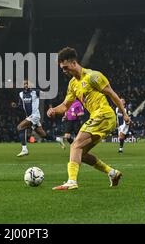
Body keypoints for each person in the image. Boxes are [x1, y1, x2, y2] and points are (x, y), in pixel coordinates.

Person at [47, 47, 130, 190]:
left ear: (73, 63)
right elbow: (66, 105)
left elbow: (112, 94)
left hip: (104, 114)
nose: (64, 71)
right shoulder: (73, 84)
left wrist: (125, 114)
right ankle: (112, 173)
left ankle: (71, 182)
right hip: (99, 118)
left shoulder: (93, 76)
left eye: (65, 67)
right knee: (81, 153)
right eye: (62, 69)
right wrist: (54, 110)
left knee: (75, 145)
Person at [14, 80, 48, 157]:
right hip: (29, 117)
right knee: (42, 134)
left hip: (35, 115)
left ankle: (24, 149)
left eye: (27, 84)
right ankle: (58, 139)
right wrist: (15, 105)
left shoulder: (35, 92)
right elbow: (20, 105)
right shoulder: (21, 94)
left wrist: (50, 106)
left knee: (20, 127)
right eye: (24, 84)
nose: (26, 85)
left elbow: (46, 95)